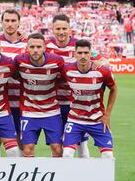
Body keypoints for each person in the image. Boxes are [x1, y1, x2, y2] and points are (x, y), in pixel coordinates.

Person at [45, 14, 107, 158]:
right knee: (58, 145)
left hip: (77, 104)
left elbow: (104, 61)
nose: (61, 32)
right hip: (53, 104)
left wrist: (99, 63)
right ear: (52, 29)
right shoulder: (46, 46)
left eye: (64, 28)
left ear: (70, 29)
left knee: (82, 143)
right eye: (58, 28)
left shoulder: (79, 46)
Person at [62, 39, 118, 158]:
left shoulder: (102, 71)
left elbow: (114, 89)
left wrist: (107, 115)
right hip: (75, 119)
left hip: (97, 119)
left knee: (108, 155)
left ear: (91, 53)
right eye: (80, 53)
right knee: (66, 154)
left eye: (86, 53)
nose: (83, 56)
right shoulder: (66, 69)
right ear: (75, 53)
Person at [14, 33, 64, 157]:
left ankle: (57, 175)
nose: (35, 50)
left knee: (57, 148)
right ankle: (30, 175)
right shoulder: (19, 61)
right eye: (32, 47)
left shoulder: (57, 61)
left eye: (38, 47)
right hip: (29, 111)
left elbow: (65, 77)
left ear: (44, 48)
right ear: (27, 48)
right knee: (27, 149)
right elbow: (14, 75)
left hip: (51, 111)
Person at [0, 9, 27, 157]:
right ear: (2, 22)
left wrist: (97, 57)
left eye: (13, 21)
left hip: (21, 100)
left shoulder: (28, 43)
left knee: (21, 139)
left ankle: (21, 173)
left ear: (19, 23)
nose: (10, 24)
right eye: (7, 20)